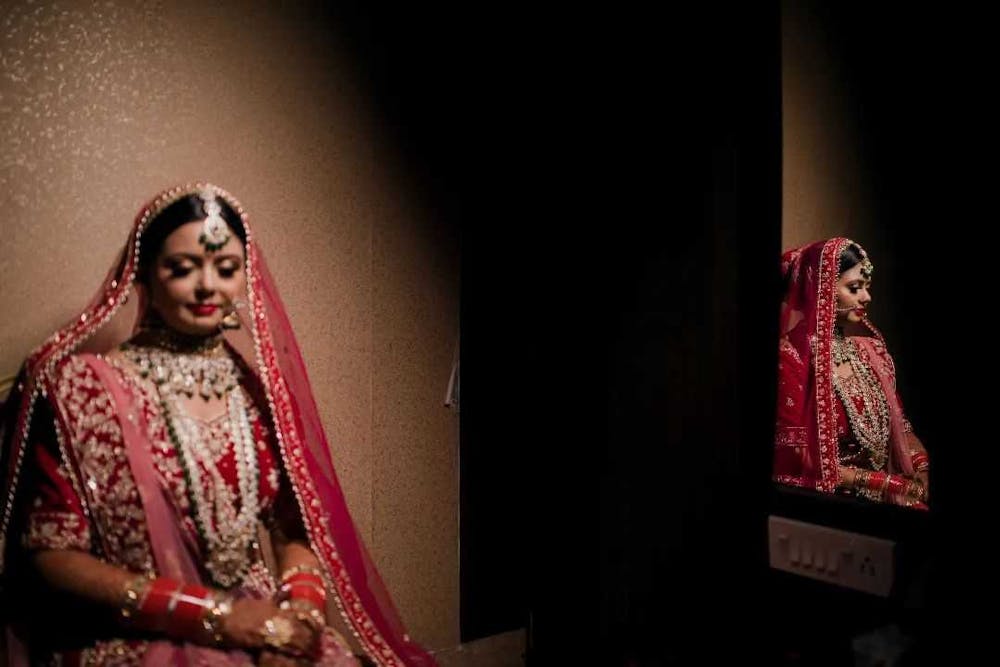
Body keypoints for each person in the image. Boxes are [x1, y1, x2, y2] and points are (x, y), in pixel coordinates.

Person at [0, 183, 435, 665]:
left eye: (226, 269)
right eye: (183, 269)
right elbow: (49, 557)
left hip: (263, 622)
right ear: (143, 273)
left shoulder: (255, 391)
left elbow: (293, 531)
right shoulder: (81, 388)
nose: (208, 286)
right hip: (134, 631)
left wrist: (301, 622)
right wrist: (215, 616)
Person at [773, 237, 929, 509]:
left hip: (887, 501)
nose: (866, 297)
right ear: (818, 289)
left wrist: (922, 469)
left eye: (867, 287)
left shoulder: (871, 353)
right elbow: (798, 458)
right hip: (828, 505)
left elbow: (901, 428)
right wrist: (881, 482)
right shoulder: (791, 358)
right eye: (855, 288)